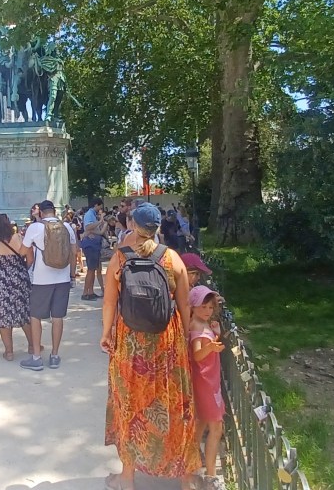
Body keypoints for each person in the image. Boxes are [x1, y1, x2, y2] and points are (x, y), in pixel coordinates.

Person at [100, 203, 200, 490]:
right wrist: (183, 339)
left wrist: (106, 333)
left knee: (130, 403)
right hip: (166, 342)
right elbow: (183, 306)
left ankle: (127, 478)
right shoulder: (173, 259)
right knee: (173, 403)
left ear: (134, 226)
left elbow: (109, 302)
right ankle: (185, 478)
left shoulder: (120, 259)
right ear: (157, 228)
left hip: (130, 341)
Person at [19, 200, 77, 371]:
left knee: (35, 316)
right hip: (63, 278)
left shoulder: (35, 228)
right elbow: (74, 253)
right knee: (57, 317)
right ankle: (55, 355)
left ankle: (36, 357)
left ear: (42, 213)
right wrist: (72, 275)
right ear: (54, 211)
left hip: (41, 279)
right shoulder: (67, 227)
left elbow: (23, 251)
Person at [188, 286, 226, 488]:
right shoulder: (196, 326)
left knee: (201, 425)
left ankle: (191, 468)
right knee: (216, 427)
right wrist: (211, 346)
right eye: (203, 307)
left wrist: (216, 335)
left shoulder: (203, 324)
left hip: (209, 381)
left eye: (211, 307)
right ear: (193, 306)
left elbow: (208, 349)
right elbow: (197, 355)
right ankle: (211, 476)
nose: (207, 311)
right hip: (205, 384)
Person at [0, 214, 32, 361]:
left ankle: (9, 352)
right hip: (19, 282)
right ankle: (32, 345)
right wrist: (21, 271)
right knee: (24, 314)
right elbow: (30, 259)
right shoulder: (18, 239)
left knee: (3, 316)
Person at [80, 198, 106, 301]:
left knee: (93, 269)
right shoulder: (90, 214)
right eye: (100, 206)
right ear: (96, 205)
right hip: (90, 245)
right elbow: (88, 227)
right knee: (91, 270)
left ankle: (90, 292)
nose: (100, 209)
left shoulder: (92, 214)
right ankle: (85, 293)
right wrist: (100, 221)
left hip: (93, 245)